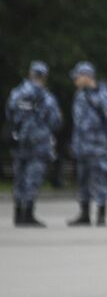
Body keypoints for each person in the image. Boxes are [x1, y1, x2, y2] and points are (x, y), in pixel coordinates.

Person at [5, 61, 62, 227]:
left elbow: (10, 113)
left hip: (20, 142)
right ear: (44, 77)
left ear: (30, 74)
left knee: (19, 177)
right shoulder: (47, 97)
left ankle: (17, 213)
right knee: (33, 178)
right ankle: (28, 214)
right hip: (39, 143)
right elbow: (55, 121)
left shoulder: (17, 93)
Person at [66, 61, 107, 227]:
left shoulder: (104, 96)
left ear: (87, 76)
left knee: (99, 181)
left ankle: (101, 214)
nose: (75, 80)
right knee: (82, 180)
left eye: (78, 76)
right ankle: (84, 214)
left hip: (98, 147)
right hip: (82, 147)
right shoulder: (79, 96)